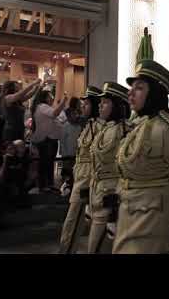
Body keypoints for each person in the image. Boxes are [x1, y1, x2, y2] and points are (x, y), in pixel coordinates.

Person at [112, 60, 169, 254]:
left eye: (139, 88)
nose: (130, 93)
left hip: (153, 222)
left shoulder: (166, 131)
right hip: (131, 216)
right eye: (132, 88)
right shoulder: (141, 126)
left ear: (154, 92)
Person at [59, 86, 104, 254]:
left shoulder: (100, 127)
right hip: (81, 177)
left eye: (86, 104)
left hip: (92, 181)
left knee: (79, 222)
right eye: (82, 104)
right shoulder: (87, 125)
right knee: (73, 222)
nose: (82, 107)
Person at [87, 82, 130, 253]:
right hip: (97, 192)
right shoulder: (104, 129)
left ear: (117, 106)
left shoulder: (124, 130)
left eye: (105, 102)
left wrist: (117, 203)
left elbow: (127, 166)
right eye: (100, 102)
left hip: (110, 194)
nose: (100, 105)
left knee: (96, 247)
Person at [0, 139, 40, 229]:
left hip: (17, 186)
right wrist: (6, 161)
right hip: (3, 186)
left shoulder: (18, 159)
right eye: (10, 149)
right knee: (2, 192)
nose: (12, 151)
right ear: (4, 151)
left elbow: (29, 174)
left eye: (13, 149)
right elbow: (0, 178)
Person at [30, 88, 67, 192]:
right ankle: (44, 185)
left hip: (50, 139)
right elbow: (55, 113)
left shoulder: (43, 107)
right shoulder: (42, 107)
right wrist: (64, 101)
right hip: (47, 140)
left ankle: (48, 184)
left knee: (49, 162)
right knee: (46, 163)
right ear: (44, 98)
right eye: (50, 96)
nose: (52, 98)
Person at [58, 107, 83, 196]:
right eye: (73, 114)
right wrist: (63, 153)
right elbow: (62, 141)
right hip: (67, 153)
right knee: (67, 172)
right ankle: (65, 189)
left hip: (76, 154)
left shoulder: (79, 127)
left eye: (76, 114)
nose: (75, 116)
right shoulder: (65, 126)